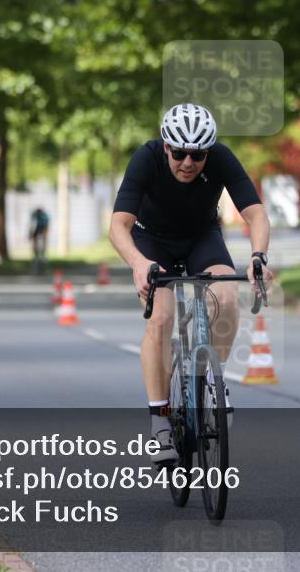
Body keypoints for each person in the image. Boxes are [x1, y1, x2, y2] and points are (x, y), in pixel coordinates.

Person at [109, 103, 274, 464]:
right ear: (166, 145)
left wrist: (258, 256)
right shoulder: (146, 158)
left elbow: (256, 213)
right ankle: (160, 421)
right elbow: (118, 225)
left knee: (226, 298)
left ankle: (214, 383)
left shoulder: (221, 157)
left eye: (197, 155)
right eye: (180, 153)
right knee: (161, 318)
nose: (188, 162)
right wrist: (138, 263)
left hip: (201, 237)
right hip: (152, 241)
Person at [30, 206, 50, 272]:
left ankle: (42, 257)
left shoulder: (44, 217)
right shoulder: (34, 216)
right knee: (35, 246)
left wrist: (44, 234)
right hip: (36, 230)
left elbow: (46, 227)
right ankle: (36, 257)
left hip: (42, 230)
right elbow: (32, 226)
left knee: (43, 245)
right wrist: (32, 234)